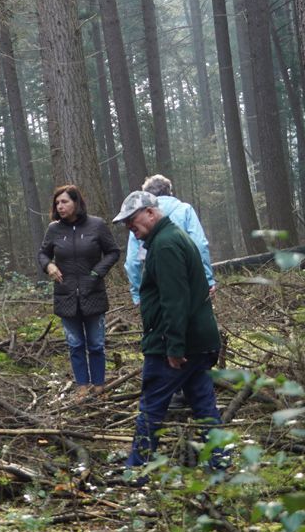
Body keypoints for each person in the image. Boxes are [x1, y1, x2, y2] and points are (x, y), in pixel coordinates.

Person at [112, 192, 224, 476]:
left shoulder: (165, 245)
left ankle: (136, 470)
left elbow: (175, 301)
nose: (129, 227)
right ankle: (220, 464)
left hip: (173, 346)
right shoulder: (170, 238)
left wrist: (174, 347)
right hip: (198, 342)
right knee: (203, 405)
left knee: (151, 407)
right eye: (125, 223)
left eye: (132, 219)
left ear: (151, 212)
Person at [38, 184, 121, 398]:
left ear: (76, 203)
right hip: (65, 295)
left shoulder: (97, 225)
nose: (60, 206)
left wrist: (96, 273)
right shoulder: (54, 229)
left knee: (96, 344)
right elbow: (43, 254)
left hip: (93, 293)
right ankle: (82, 387)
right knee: (75, 344)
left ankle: (99, 385)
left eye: (64, 201)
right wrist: (49, 265)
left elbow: (113, 252)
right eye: (57, 203)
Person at [126, 174, 215, 305]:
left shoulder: (139, 218)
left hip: (156, 285)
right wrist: (207, 279)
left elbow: (132, 261)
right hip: (189, 279)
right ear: (169, 191)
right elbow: (200, 245)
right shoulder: (185, 209)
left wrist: (139, 294)